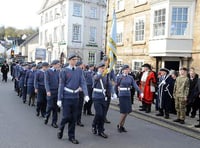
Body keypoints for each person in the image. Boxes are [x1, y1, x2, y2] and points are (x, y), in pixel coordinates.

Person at [57, 54, 89, 144]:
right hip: (67, 97)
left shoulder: (79, 70)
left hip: (76, 97)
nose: (75, 61)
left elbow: (83, 82)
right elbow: (61, 85)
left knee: (73, 118)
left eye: (76, 59)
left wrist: (86, 94)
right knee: (66, 116)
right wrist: (59, 99)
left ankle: (71, 136)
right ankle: (61, 128)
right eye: (73, 59)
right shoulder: (64, 71)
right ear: (69, 60)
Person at [91, 62, 117, 138]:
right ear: (98, 68)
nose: (103, 69)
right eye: (102, 68)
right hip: (96, 96)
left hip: (104, 97)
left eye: (104, 68)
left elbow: (109, 85)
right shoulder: (94, 74)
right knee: (99, 113)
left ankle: (101, 130)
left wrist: (113, 93)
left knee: (103, 115)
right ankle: (94, 124)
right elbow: (96, 78)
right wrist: (103, 73)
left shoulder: (106, 76)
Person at [116, 65, 143, 132]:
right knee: (123, 111)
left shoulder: (130, 77)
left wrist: (140, 92)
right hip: (122, 95)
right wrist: (115, 94)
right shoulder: (119, 77)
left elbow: (135, 85)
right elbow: (116, 86)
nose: (128, 70)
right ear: (123, 70)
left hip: (128, 95)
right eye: (126, 69)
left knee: (127, 111)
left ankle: (122, 126)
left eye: (128, 69)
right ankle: (119, 125)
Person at [44, 60, 60, 128]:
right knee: (50, 106)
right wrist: (48, 91)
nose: (59, 65)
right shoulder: (48, 71)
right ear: (54, 64)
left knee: (55, 108)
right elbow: (46, 82)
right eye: (58, 64)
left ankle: (54, 122)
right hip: (50, 91)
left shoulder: (58, 72)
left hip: (57, 91)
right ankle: (46, 117)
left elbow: (60, 82)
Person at [102, 56, 116, 123]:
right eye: (107, 61)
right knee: (101, 103)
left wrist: (115, 82)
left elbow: (113, 77)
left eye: (109, 61)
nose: (108, 62)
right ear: (104, 61)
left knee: (107, 103)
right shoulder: (100, 67)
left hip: (108, 88)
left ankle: (104, 116)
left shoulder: (111, 69)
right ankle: (100, 116)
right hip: (101, 88)